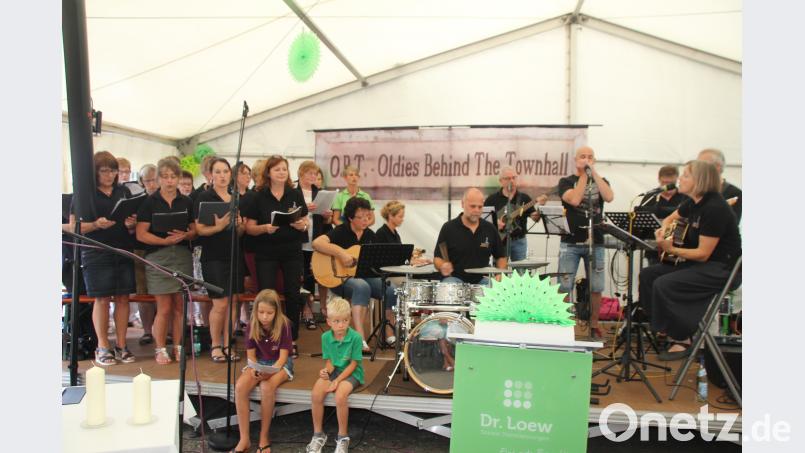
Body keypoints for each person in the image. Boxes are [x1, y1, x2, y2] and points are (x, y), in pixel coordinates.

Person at [639, 160, 741, 361]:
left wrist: (672, 249)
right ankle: (662, 327)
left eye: (685, 175)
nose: (680, 179)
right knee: (649, 275)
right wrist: (664, 231)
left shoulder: (714, 207)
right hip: (700, 265)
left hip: (721, 269)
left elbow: (703, 253)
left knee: (665, 284)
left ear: (699, 180)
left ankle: (682, 336)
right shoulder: (693, 202)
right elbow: (670, 218)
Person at [69, 151, 137, 365]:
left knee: (124, 297)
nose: (109, 175)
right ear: (96, 172)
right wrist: (95, 225)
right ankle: (102, 346)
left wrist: (130, 223)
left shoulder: (123, 190)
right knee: (102, 298)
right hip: (95, 251)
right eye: (104, 170)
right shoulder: (85, 193)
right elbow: (74, 227)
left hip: (122, 248)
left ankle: (122, 344)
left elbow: (131, 220)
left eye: (113, 170)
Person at [244, 155, 308, 358]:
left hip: (292, 250)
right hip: (266, 251)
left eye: (284, 169)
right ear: (268, 173)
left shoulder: (295, 194)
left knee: (293, 294)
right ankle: (267, 339)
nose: (282, 172)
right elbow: (249, 228)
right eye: (277, 169)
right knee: (267, 296)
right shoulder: (258, 196)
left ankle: (291, 340)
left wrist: (302, 225)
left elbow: (305, 219)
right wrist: (264, 228)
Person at [312, 197, 397, 350]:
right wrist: (341, 253)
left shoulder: (370, 235)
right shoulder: (341, 231)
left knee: (391, 290)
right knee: (361, 286)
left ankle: (388, 332)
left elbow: (376, 264)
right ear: (350, 218)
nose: (365, 220)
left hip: (363, 277)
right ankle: (359, 337)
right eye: (361, 217)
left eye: (368, 216)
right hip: (338, 279)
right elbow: (317, 243)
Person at [136, 157, 197, 364]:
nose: (169, 181)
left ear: (178, 178)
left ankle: (179, 346)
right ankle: (160, 348)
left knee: (180, 306)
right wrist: (163, 240)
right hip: (158, 256)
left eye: (173, 176)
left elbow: (195, 229)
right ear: (158, 178)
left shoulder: (187, 201)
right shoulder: (149, 202)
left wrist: (186, 235)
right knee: (163, 307)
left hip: (181, 255)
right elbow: (141, 234)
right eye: (165, 177)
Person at [556, 146, 614, 340]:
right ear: (575, 160)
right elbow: (574, 199)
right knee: (564, 285)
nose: (586, 159)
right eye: (582, 157)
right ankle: (563, 324)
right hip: (570, 242)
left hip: (595, 241)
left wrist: (593, 173)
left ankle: (594, 325)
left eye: (590, 157)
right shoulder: (566, 182)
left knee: (596, 286)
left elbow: (609, 197)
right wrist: (583, 176)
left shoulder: (601, 181)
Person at [194, 158, 246, 363]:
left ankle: (227, 343)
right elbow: (199, 229)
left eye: (226, 171)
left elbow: (240, 232)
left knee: (233, 301)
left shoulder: (235, 197)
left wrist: (240, 224)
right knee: (220, 303)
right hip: (213, 256)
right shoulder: (204, 197)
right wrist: (220, 225)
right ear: (211, 175)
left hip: (233, 253)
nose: (223, 175)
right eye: (218, 172)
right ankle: (215, 344)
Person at [233, 289, 293, 453]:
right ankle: (244, 438)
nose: (264, 316)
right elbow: (251, 356)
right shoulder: (253, 325)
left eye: (269, 313)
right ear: (255, 310)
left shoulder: (284, 324)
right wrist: (254, 369)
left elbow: (282, 358)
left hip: (279, 364)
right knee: (240, 387)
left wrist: (269, 372)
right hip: (259, 363)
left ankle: (263, 436)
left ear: (276, 312)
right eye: (261, 312)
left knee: (267, 387)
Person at [305, 298, 364, 453]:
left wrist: (337, 380)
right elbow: (330, 361)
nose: (341, 325)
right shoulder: (325, 337)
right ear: (329, 322)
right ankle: (318, 435)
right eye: (337, 321)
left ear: (349, 320)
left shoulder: (356, 337)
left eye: (345, 320)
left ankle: (342, 437)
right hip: (335, 371)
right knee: (316, 392)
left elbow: (353, 364)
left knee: (340, 395)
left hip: (352, 373)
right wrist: (326, 372)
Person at [433, 188, 507, 285]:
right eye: (472, 206)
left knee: (495, 288)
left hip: (481, 280)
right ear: (462, 204)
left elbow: (501, 257)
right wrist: (442, 265)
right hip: (454, 278)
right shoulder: (448, 228)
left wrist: (500, 273)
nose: (476, 210)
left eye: (480, 207)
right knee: (449, 285)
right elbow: (437, 259)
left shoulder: (490, 228)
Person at [296, 161, 334, 330]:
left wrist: (327, 215)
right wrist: (305, 209)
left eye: (315, 174)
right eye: (310, 173)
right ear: (301, 174)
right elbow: (290, 213)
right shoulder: (293, 192)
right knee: (300, 275)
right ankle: (303, 309)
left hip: (315, 239)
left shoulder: (319, 193)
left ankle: (309, 312)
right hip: (299, 239)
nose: (313, 177)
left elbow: (327, 221)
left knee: (312, 276)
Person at [483, 166, 545, 262]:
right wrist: (495, 223)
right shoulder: (492, 199)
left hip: (519, 241)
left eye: (514, 177)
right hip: (500, 240)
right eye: (508, 178)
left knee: (520, 273)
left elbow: (535, 218)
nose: (511, 180)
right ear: (501, 181)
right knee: (500, 272)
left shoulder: (524, 198)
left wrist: (540, 209)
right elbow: (483, 219)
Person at [135, 163, 159, 346]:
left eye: (154, 179)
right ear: (141, 182)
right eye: (147, 180)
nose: (151, 184)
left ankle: (163, 330)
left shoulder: (165, 198)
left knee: (163, 292)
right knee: (143, 292)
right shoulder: (136, 201)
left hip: (162, 249)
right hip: (140, 249)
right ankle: (147, 331)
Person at [697, 148, 742, 222]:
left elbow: (732, 223)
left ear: (718, 166)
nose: (697, 167)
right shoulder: (694, 189)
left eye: (702, 163)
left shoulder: (735, 193)